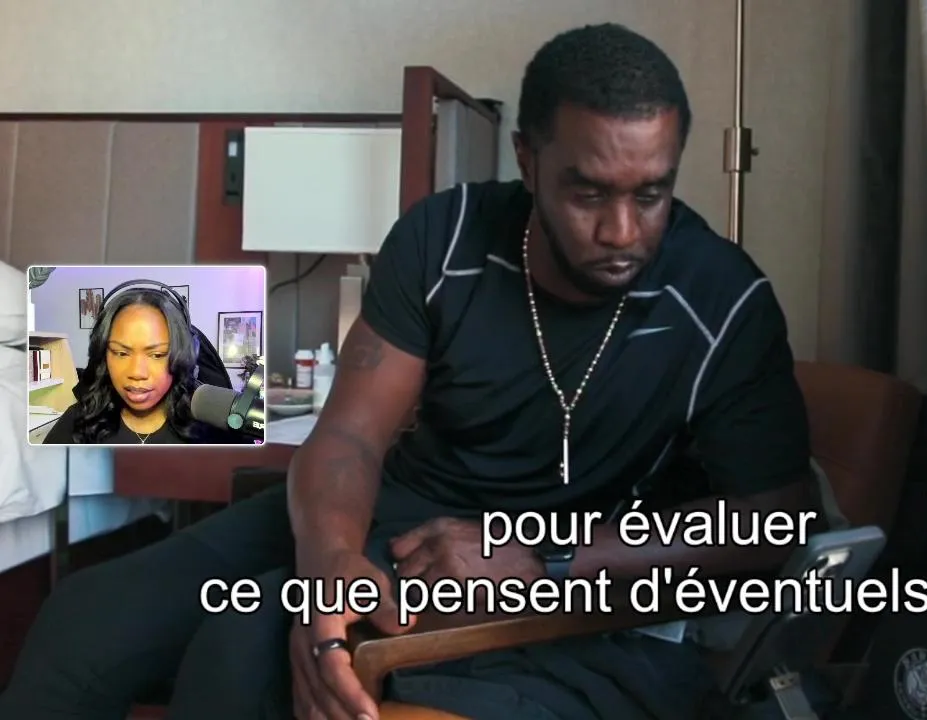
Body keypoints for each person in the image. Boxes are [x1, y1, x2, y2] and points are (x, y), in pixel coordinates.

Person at [0, 22, 818, 720]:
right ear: (528, 160)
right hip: (389, 511)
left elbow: (775, 521)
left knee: (242, 647)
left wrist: (546, 560)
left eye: (652, 194)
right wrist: (329, 565)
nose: (622, 232)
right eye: (589, 193)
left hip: (561, 556)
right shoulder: (444, 239)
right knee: (85, 619)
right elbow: (350, 436)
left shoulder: (723, 299)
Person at [41, 287, 208, 445]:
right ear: (103, 356)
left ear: (184, 357)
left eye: (157, 355)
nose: (137, 372)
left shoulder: (208, 431)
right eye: (121, 353)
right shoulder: (75, 423)